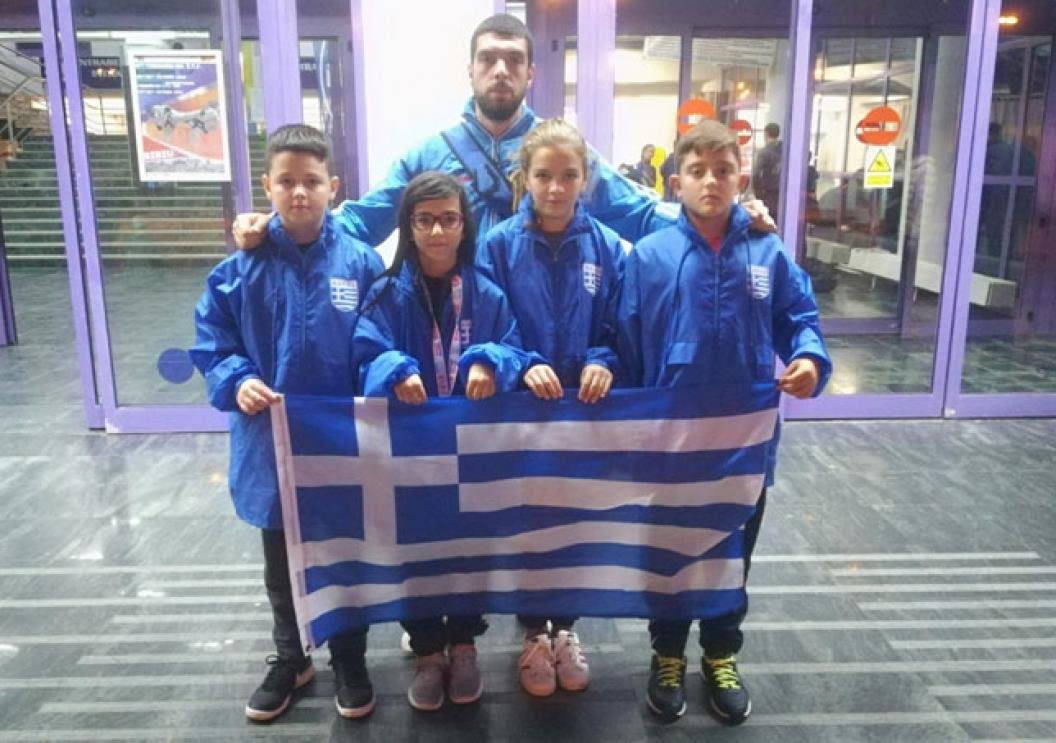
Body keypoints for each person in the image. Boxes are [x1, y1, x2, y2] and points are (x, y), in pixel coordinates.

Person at [617, 119, 832, 726]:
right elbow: (623, 339)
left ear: (741, 178)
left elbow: (800, 317)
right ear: (676, 182)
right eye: (697, 171)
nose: (711, 181)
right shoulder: (650, 257)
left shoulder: (767, 251)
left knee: (733, 551)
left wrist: (809, 358)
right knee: (670, 549)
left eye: (723, 170)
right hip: (672, 440)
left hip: (744, 442)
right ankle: (666, 652)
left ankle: (720, 653)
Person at [231, 14, 776, 251]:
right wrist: (276, 226)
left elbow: (639, 212)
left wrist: (724, 215)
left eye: (513, 60)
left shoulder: (564, 155)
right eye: (488, 59)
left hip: (540, 317)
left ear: (531, 73)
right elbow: (361, 221)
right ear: (469, 70)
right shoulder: (429, 154)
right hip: (456, 318)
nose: (500, 70)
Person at [189, 124, 385, 722]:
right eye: (287, 181)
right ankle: (291, 656)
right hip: (269, 440)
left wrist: (383, 383)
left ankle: (348, 657)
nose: (300, 192)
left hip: (341, 441)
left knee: (343, 554)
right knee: (280, 560)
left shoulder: (360, 263)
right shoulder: (239, 268)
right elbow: (214, 341)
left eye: (312, 181)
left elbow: (379, 340)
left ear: (334, 187)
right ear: (267, 186)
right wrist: (236, 379)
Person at [351, 171, 534, 712]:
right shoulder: (386, 293)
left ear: (464, 225)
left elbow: (514, 348)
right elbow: (364, 350)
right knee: (417, 548)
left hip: (474, 451)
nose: (437, 231)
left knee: (471, 547)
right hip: (409, 453)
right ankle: (428, 650)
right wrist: (393, 367)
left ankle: (465, 644)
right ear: (408, 225)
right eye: (425, 220)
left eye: (448, 219)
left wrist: (489, 361)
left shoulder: (487, 292)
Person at [476, 118, 623, 697]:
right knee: (529, 522)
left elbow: (616, 323)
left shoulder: (606, 246)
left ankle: (567, 629)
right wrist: (521, 362)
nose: (556, 188)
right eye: (543, 175)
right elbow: (486, 323)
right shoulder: (497, 245)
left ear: (586, 179)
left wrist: (603, 359)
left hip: (583, 411)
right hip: (521, 410)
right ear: (524, 178)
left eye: (568, 175)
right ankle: (534, 632)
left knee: (575, 519)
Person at [752, 122, 782, 213]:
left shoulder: (764, 152)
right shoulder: (785, 150)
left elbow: (756, 174)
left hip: (769, 194)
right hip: (784, 192)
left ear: (766, 134)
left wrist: (759, 196)